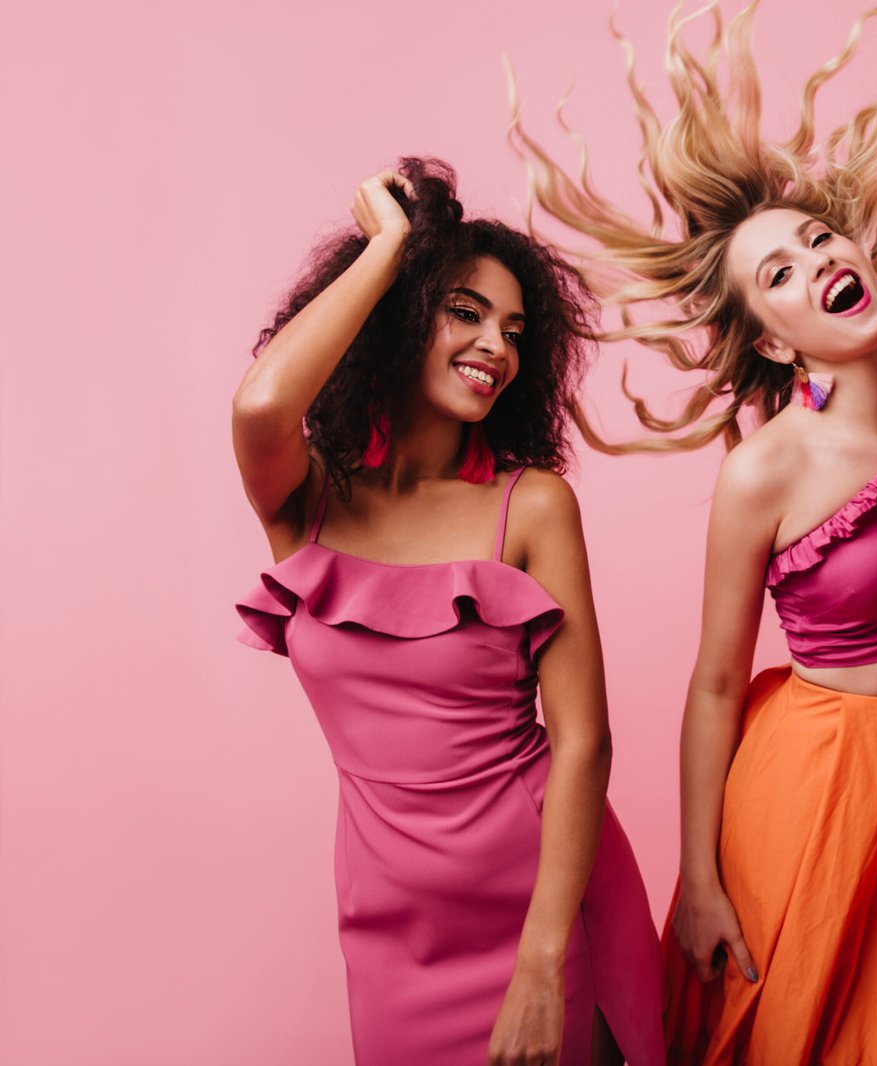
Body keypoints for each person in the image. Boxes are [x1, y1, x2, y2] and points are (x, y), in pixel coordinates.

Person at [508, 5, 877, 1061]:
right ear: (772, 340)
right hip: (823, 788)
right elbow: (715, 684)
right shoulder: (764, 470)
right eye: (775, 274)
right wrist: (700, 875)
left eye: (815, 239)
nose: (813, 261)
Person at [231, 158, 665, 1066]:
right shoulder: (307, 501)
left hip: (542, 911)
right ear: (399, 316)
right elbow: (266, 403)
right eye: (464, 312)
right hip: (391, 926)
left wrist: (545, 964)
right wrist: (392, 249)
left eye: (514, 330)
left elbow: (584, 742)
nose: (497, 348)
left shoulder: (531, 505)